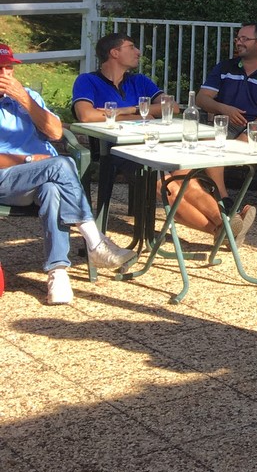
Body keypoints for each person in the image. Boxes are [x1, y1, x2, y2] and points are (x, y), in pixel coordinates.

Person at [0, 42, 137, 304]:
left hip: (43, 177)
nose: (6, 75)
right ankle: (95, 241)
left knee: (53, 190)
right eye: (0, 70)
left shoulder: (27, 97)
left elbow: (55, 132)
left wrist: (24, 99)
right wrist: (30, 159)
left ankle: (58, 274)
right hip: (6, 178)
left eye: (9, 68)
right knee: (61, 165)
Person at [197, 23, 257, 220]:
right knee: (208, 138)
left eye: (244, 39)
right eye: (238, 38)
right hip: (226, 124)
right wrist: (224, 109)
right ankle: (223, 198)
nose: (238, 42)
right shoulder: (225, 67)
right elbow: (201, 98)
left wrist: (249, 132)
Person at [71, 32, 171, 123]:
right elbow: (86, 116)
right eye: (131, 47)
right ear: (115, 53)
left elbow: (171, 106)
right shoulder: (87, 80)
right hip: (106, 137)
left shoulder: (140, 81)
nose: (138, 52)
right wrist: (137, 117)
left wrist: (130, 110)